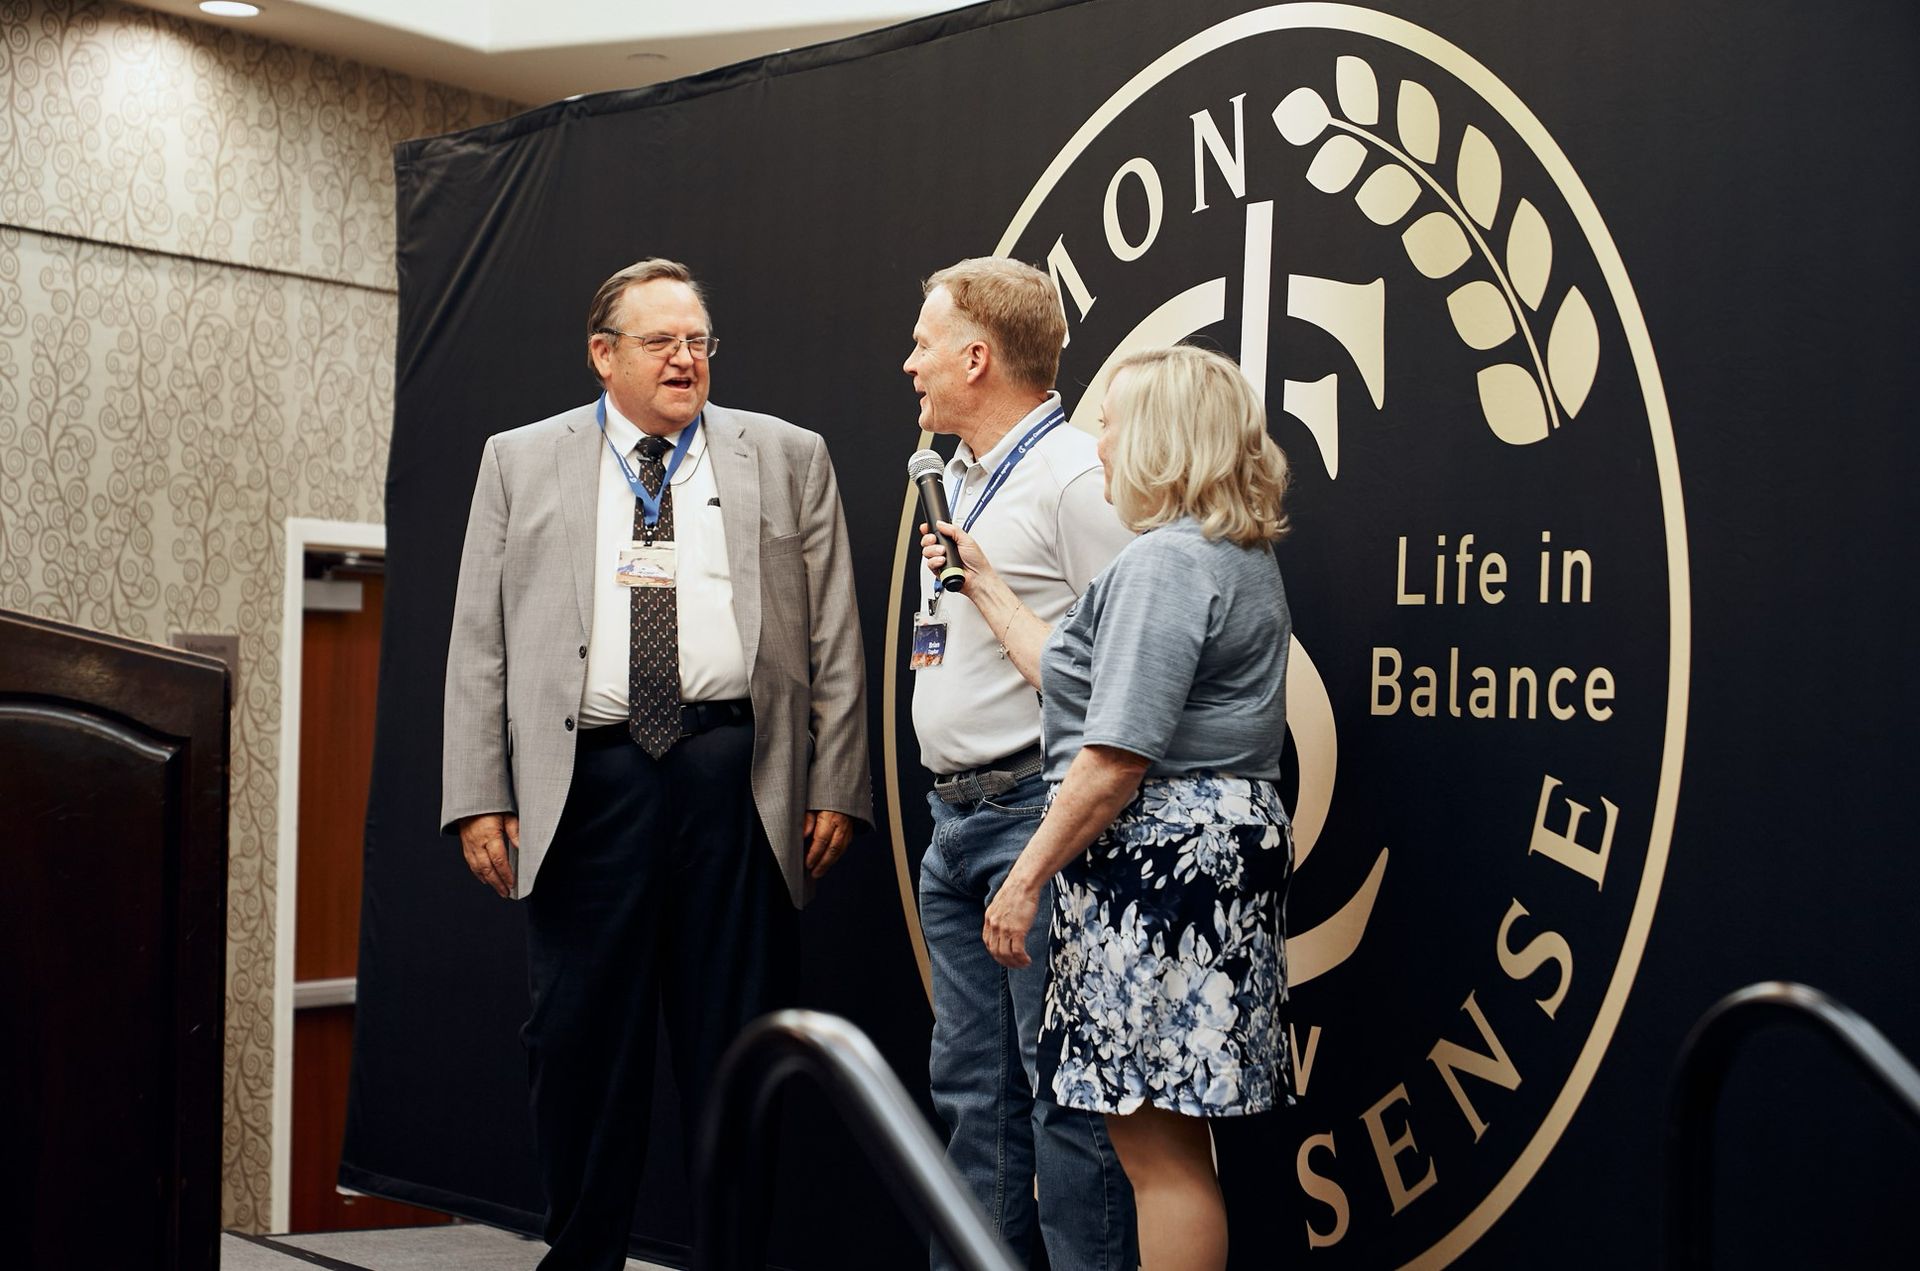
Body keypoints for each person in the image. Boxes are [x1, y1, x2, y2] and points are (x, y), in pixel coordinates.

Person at [441, 258, 870, 1271]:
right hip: (589, 787)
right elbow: (478, 642)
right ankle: (582, 1250)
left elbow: (838, 640)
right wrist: (477, 794)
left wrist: (837, 782)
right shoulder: (520, 458)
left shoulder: (788, 454)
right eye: (661, 341)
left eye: (698, 341)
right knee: (579, 1039)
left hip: (739, 782)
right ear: (604, 354)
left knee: (740, 1037)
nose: (686, 359)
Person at [924, 344, 1294, 1271]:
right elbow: (1073, 679)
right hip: (1195, 855)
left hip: (1160, 864)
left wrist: (1022, 879)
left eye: (1115, 426)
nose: (1099, 448)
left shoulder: (1167, 563)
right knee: (1164, 1136)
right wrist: (985, 581)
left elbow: (1113, 756)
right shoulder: (1219, 553)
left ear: (1165, 440)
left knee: (1153, 1147)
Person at [902, 257, 1138, 1271]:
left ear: (976, 355)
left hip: (1036, 817)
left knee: (1065, 1098)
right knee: (970, 1091)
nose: (909, 362)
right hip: (953, 823)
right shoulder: (952, 474)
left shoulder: (1075, 476)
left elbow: (1134, 665)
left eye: (924, 341)